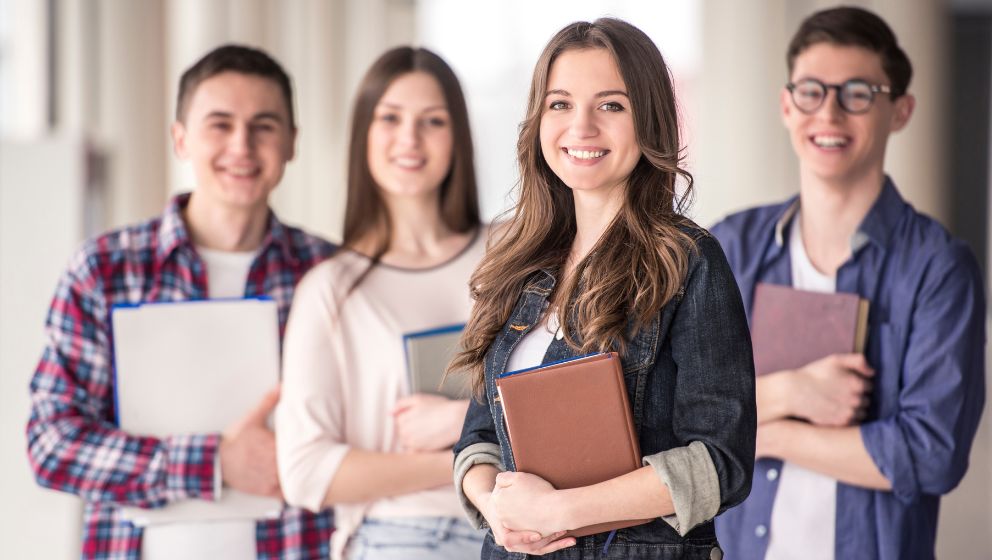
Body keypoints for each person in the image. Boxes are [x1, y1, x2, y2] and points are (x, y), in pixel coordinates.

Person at [451, 18, 756, 559]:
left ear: (649, 120)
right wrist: (495, 508)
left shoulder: (687, 260)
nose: (582, 127)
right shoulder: (517, 264)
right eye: (560, 104)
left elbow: (720, 462)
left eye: (611, 105)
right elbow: (480, 437)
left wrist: (559, 511)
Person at [26, 45, 335, 560]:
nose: (241, 145)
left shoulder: (329, 274)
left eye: (263, 126)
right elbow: (51, 444)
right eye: (220, 124)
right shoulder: (105, 270)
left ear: (291, 143)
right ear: (181, 139)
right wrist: (214, 463)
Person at [711, 7, 986, 560]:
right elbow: (672, 409)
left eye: (857, 93)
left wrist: (764, 433)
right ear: (787, 106)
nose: (829, 112)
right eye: (811, 91)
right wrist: (790, 394)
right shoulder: (730, 247)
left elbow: (931, 454)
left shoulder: (938, 268)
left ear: (900, 111)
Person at [274, 46, 486, 560]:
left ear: (457, 136)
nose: (409, 138)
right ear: (363, 134)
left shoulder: (512, 253)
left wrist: (463, 421)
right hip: (402, 535)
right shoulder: (331, 289)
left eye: (432, 121)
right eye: (390, 118)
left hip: (529, 528)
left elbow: (565, 393)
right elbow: (305, 472)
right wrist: (472, 458)